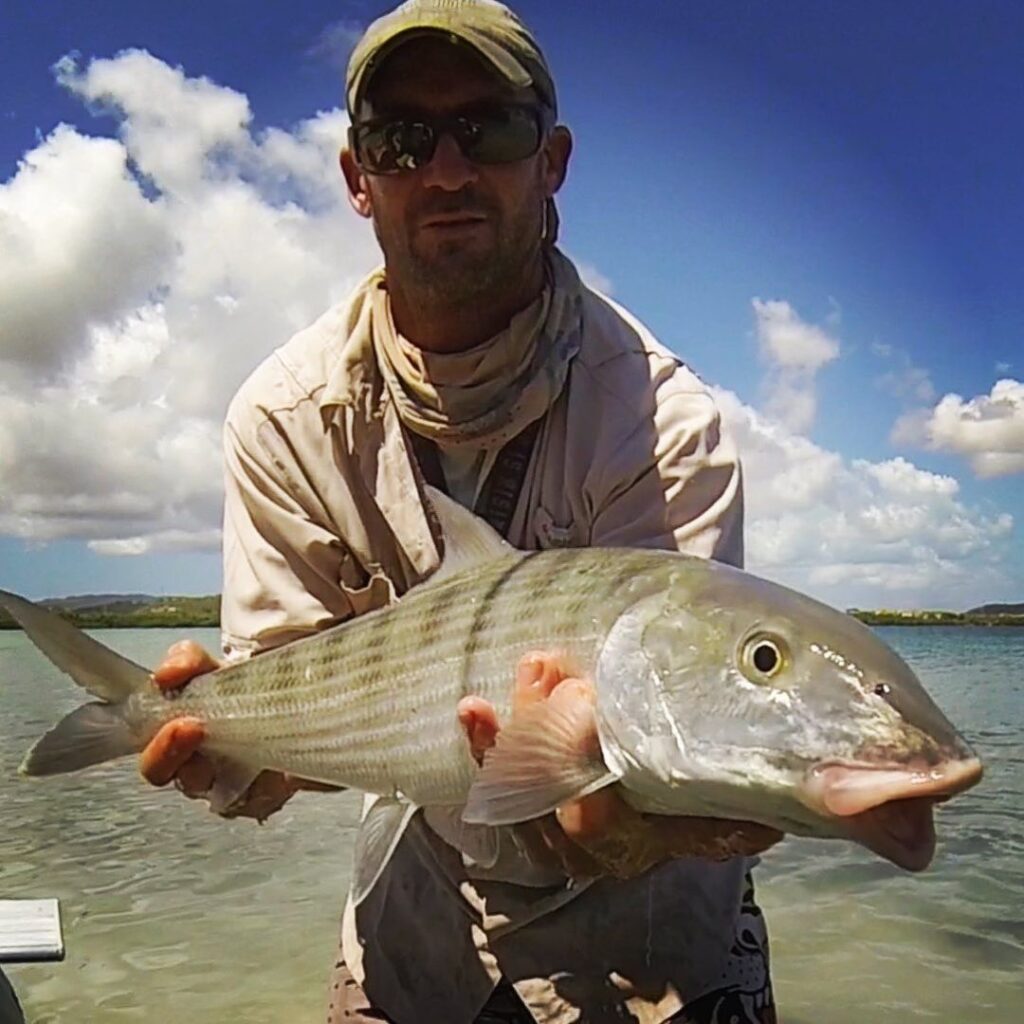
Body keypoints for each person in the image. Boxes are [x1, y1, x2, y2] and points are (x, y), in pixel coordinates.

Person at [140, 2, 781, 1021]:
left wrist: (643, 821)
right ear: (358, 177)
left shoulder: (663, 421)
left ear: (553, 159)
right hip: (417, 928)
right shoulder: (282, 416)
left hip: (653, 948)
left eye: (490, 128)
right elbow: (299, 733)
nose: (445, 171)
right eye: (402, 139)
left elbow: (681, 765)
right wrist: (244, 759)